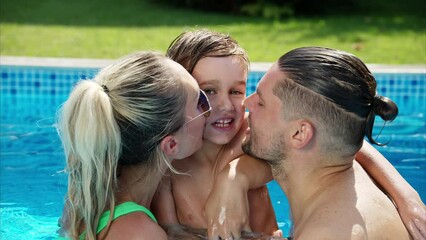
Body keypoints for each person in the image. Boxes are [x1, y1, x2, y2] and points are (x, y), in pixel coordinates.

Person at [240, 46, 420, 239]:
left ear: (299, 133)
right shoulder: (349, 170)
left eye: (261, 103)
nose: (246, 103)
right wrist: (232, 180)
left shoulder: (326, 233)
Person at [56, 51, 211, 239]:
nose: (207, 111)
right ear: (171, 144)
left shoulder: (85, 201)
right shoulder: (140, 233)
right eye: (199, 101)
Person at [151, 29, 281, 236]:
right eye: (209, 91)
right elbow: (171, 230)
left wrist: (235, 175)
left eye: (236, 92)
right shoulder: (168, 161)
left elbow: (293, 154)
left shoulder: (250, 133)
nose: (226, 105)